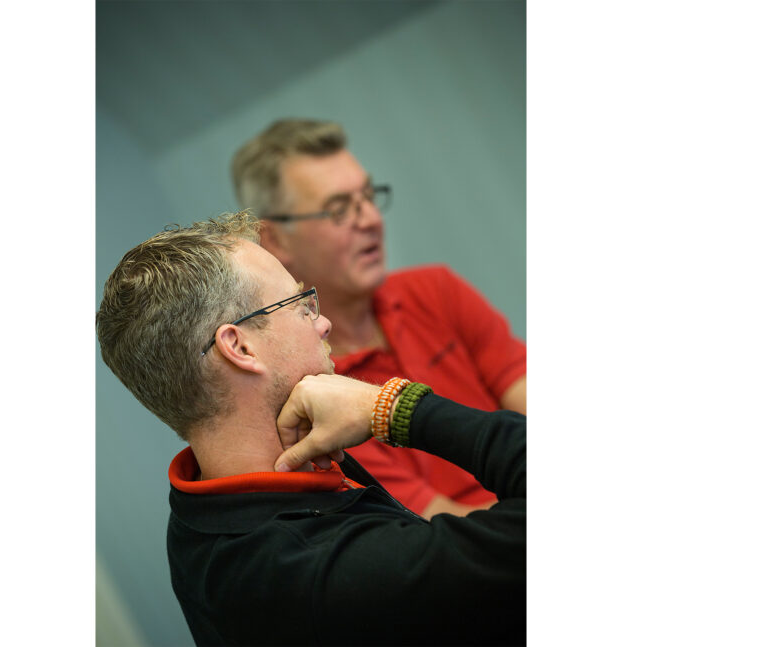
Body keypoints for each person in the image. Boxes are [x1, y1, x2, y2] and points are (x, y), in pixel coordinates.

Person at [96, 211, 525, 646]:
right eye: (300, 306)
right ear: (240, 347)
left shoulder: (203, 510)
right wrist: (392, 408)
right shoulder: (323, 570)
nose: (323, 322)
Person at [231, 119, 527, 518]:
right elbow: (440, 527)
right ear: (276, 239)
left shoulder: (436, 290)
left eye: (369, 197)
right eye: (340, 209)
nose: (371, 218)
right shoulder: (308, 387)